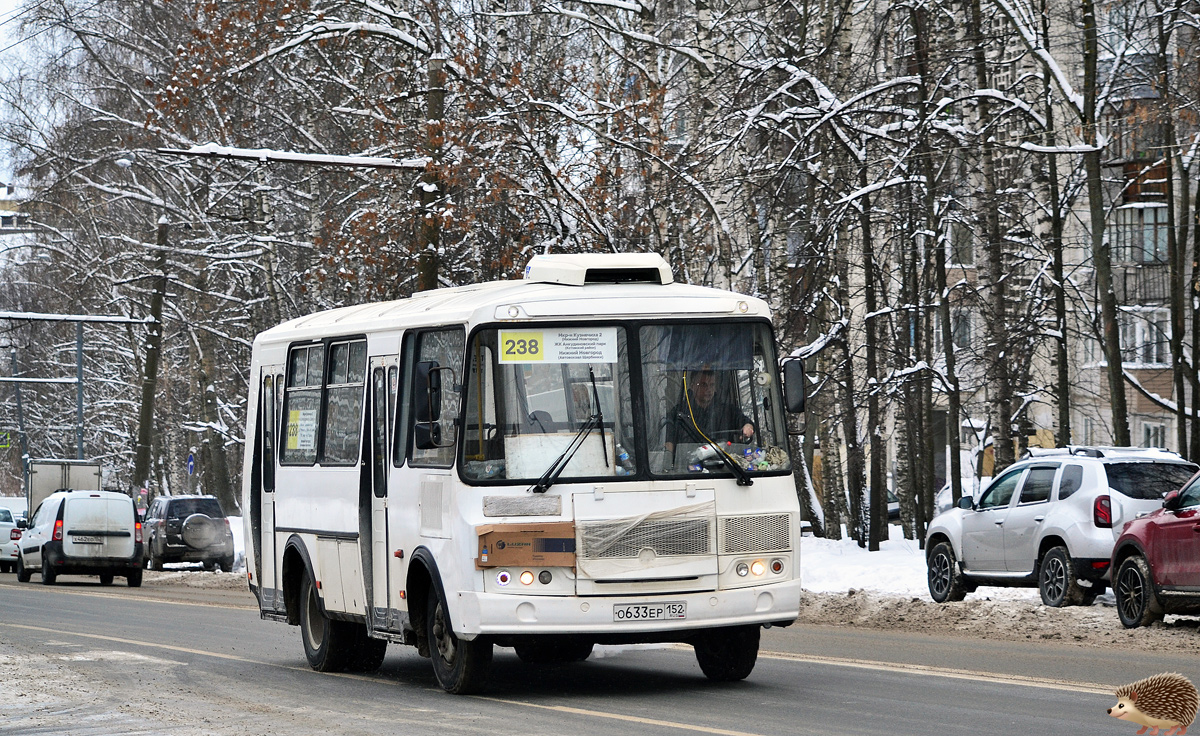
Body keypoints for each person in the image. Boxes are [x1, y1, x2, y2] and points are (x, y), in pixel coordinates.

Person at [664, 370, 754, 453]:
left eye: (711, 385)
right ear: (692, 386)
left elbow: (744, 421)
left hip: (724, 466)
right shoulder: (679, 413)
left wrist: (748, 427)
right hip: (688, 466)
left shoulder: (726, 411)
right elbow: (668, 436)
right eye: (703, 385)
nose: (708, 389)